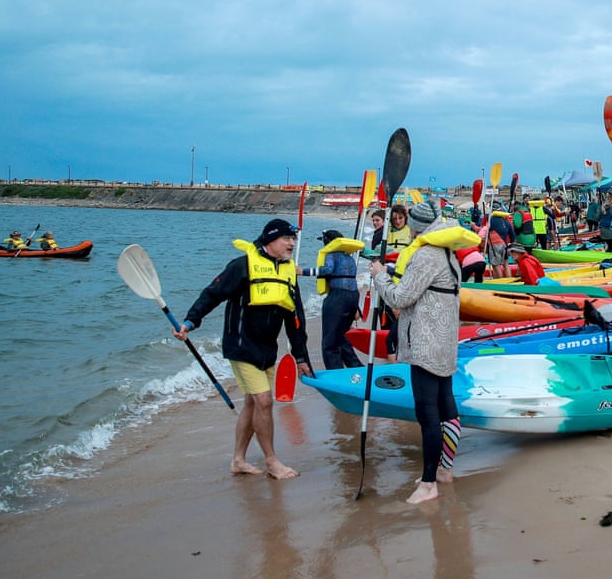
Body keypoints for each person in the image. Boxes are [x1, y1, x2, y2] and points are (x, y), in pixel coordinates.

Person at [173, 218, 312, 480]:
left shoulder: (287, 270)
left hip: (266, 349)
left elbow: (296, 318)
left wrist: (301, 355)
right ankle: (272, 461)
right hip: (241, 345)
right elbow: (212, 294)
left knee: (252, 403)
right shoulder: (243, 266)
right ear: (271, 240)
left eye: (293, 238)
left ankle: (238, 460)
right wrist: (190, 322)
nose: (292, 243)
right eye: (287, 238)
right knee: (263, 401)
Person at [370, 202, 464, 505]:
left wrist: (379, 275)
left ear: (415, 226)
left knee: (428, 415)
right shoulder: (448, 252)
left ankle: (428, 484)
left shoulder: (426, 254)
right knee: (446, 407)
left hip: (426, 342)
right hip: (445, 339)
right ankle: (444, 472)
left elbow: (400, 296)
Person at [302, 230, 363, 370]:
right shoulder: (349, 257)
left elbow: (328, 270)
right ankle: (356, 368)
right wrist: (356, 308)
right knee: (342, 336)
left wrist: (303, 271)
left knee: (330, 342)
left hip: (338, 298)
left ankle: (335, 372)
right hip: (353, 296)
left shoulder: (332, 255)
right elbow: (350, 280)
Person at [485, 209, 514, 279]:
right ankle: (508, 280)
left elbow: (484, 232)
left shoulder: (490, 221)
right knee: (506, 264)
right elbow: (512, 235)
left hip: (494, 245)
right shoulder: (507, 222)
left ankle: (500, 282)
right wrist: (509, 245)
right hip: (504, 245)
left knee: (495, 265)